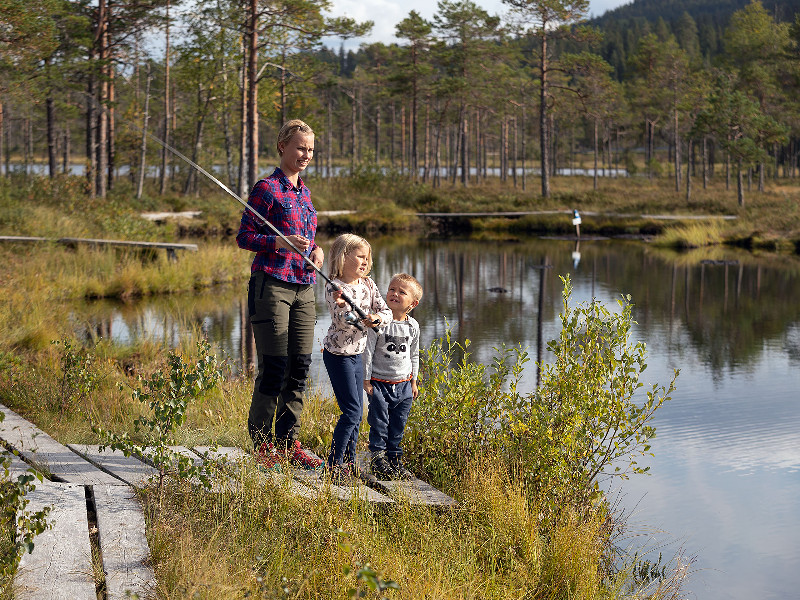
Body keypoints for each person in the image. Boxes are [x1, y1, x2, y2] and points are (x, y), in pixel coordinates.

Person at [236, 119, 324, 471]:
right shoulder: (266, 189)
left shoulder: (304, 193)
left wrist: (315, 251)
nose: (306, 155)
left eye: (311, 150)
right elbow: (245, 237)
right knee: (274, 368)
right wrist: (279, 242)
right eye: (300, 147)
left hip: (304, 286)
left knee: (299, 368)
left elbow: (307, 239)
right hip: (271, 283)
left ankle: (288, 443)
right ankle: (261, 445)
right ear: (283, 146)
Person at [322, 234, 392, 484]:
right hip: (338, 355)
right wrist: (361, 320)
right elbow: (342, 319)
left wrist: (377, 319)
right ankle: (333, 465)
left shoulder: (368, 284)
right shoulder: (334, 286)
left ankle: (350, 464)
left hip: (358, 354)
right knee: (351, 411)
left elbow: (385, 311)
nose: (365, 261)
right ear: (343, 256)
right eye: (360, 256)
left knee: (357, 411)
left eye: (367, 257)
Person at [363, 273, 423, 480]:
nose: (394, 293)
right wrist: (366, 380)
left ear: (413, 303)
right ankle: (378, 460)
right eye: (391, 289)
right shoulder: (379, 322)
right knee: (379, 423)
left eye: (401, 292)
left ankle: (394, 460)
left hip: (404, 385)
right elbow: (368, 351)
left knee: (398, 424)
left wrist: (414, 381)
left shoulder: (413, 326)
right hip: (379, 383)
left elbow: (414, 354)